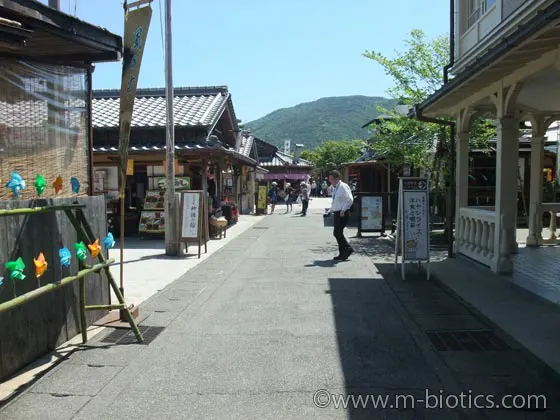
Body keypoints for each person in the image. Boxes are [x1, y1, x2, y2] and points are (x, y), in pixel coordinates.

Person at [328, 170, 354, 260]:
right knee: (337, 233)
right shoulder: (335, 187)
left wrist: (343, 209)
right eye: (329, 178)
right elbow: (335, 201)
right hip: (337, 212)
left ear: (337, 178)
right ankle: (343, 252)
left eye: (331, 178)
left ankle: (348, 249)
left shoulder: (343, 186)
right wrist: (330, 210)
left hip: (343, 213)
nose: (330, 180)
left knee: (337, 232)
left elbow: (350, 199)